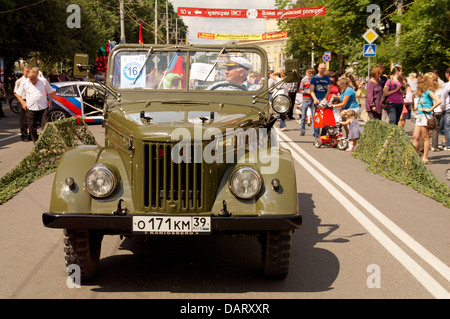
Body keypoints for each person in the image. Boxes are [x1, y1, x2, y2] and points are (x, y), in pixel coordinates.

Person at [15, 68, 54, 143]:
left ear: (37, 76)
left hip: (43, 107)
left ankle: (46, 140)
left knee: (45, 125)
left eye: (34, 79)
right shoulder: (24, 82)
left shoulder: (43, 81)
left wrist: (50, 102)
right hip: (31, 108)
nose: (33, 81)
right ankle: (36, 142)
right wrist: (23, 102)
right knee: (32, 126)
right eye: (31, 79)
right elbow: (17, 93)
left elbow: (51, 92)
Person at [412, 74, 441, 164]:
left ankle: (425, 157)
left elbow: (439, 101)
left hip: (426, 116)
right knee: (415, 136)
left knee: (425, 137)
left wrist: (430, 109)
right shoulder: (422, 92)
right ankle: (413, 155)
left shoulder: (429, 92)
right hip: (419, 116)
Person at [310, 63, 331, 138]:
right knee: (316, 118)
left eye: (324, 69)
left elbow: (328, 90)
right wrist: (315, 99)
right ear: (318, 69)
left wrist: (325, 98)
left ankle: (323, 135)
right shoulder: (314, 78)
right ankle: (316, 135)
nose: (322, 70)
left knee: (325, 118)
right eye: (321, 68)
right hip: (316, 100)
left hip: (324, 100)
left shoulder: (327, 78)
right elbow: (311, 90)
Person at [14, 66, 31, 141]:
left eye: (29, 71)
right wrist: (22, 102)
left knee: (31, 119)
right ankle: (24, 136)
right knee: (23, 120)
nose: (28, 73)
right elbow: (16, 92)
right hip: (23, 100)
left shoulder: (32, 80)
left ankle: (31, 135)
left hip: (31, 100)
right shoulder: (19, 81)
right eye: (26, 71)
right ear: (23, 72)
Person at [299, 68, 315, 136]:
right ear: (307, 73)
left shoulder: (315, 80)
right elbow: (300, 90)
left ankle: (314, 132)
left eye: (312, 73)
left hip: (313, 100)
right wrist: (306, 92)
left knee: (314, 117)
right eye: (310, 73)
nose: (311, 74)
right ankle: (302, 131)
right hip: (305, 100)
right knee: (303, 117)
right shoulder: (303, 80)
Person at [442, 68, 450, 150]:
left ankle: (448, 144)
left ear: (447, 74)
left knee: (447, 126)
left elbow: (443, 97)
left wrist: (442, 107)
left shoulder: (447, 85)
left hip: (448, 107)